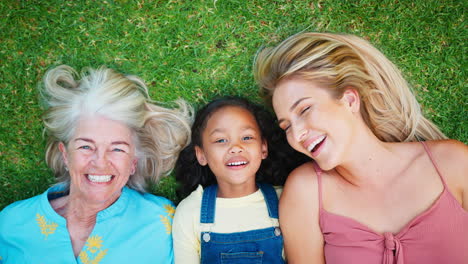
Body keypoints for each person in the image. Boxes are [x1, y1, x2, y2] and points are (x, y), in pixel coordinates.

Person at [254, 32, 468, 263]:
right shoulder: (305, 192)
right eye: (286, 126)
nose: (297, 134)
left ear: (350, 100)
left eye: (304, 110)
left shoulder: (451, 162)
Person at [0, 65, 192, 263]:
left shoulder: (164, 224)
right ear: (65, 155)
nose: (100, 163)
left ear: (133, 162)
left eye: (117, 149)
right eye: (86, 147)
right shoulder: (12, 223)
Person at [172, 97, 308, 264]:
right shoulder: (190, 212)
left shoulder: (286, 202)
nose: (236, 147)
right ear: (201, 155)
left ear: (263, 148)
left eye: (246, 137)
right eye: (221, 140)